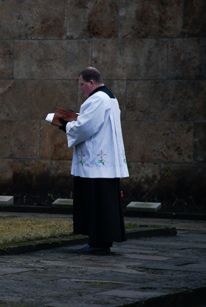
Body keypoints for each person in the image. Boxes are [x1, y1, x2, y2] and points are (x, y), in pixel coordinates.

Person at [60, 66, 129, 254]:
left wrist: (63, 124)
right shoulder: (109, 98)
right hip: (104, 162)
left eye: (82, 84)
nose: (80, 88)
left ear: (91, 82)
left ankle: (98, 243)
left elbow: (85, 128)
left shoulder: (97, 99)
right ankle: (101, 241)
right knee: (104, 203)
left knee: (96, 203)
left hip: (95, 164)